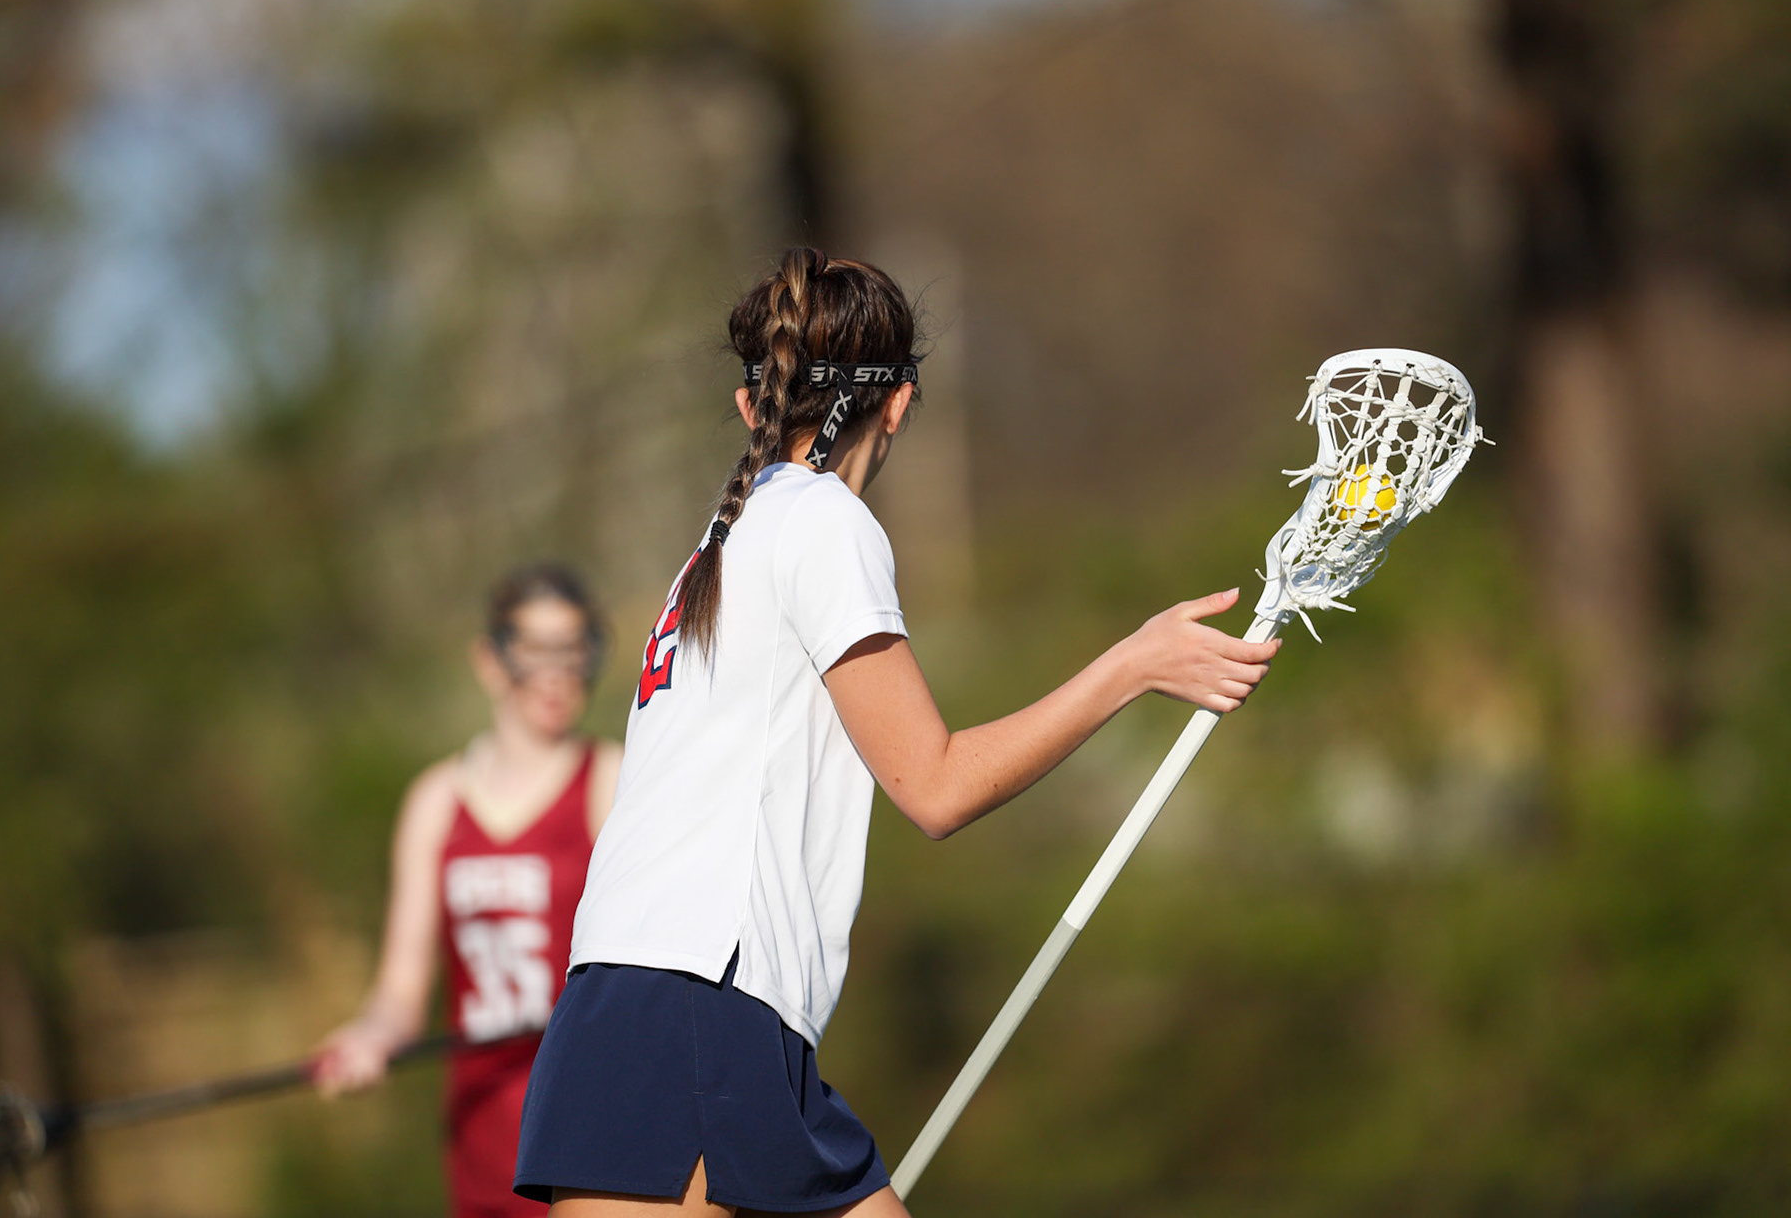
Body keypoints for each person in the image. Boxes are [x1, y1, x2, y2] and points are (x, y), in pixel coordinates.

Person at [513, 247, 1281, 1217]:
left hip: (645, 1013)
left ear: (752, 406)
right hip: (696, 1012)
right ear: (901, 403)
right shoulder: (823, 522)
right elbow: (936, 785)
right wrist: (1133, 665)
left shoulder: (721, 545)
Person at [314, 564, 621, 1218]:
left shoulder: (609, 781)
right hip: (481, 1143)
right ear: (490, 660)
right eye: (535, 651)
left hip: (591, 1135)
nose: (556, 674)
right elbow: (401, 991)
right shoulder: (435, 803)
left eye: (573, 651)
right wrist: (370, 1036)